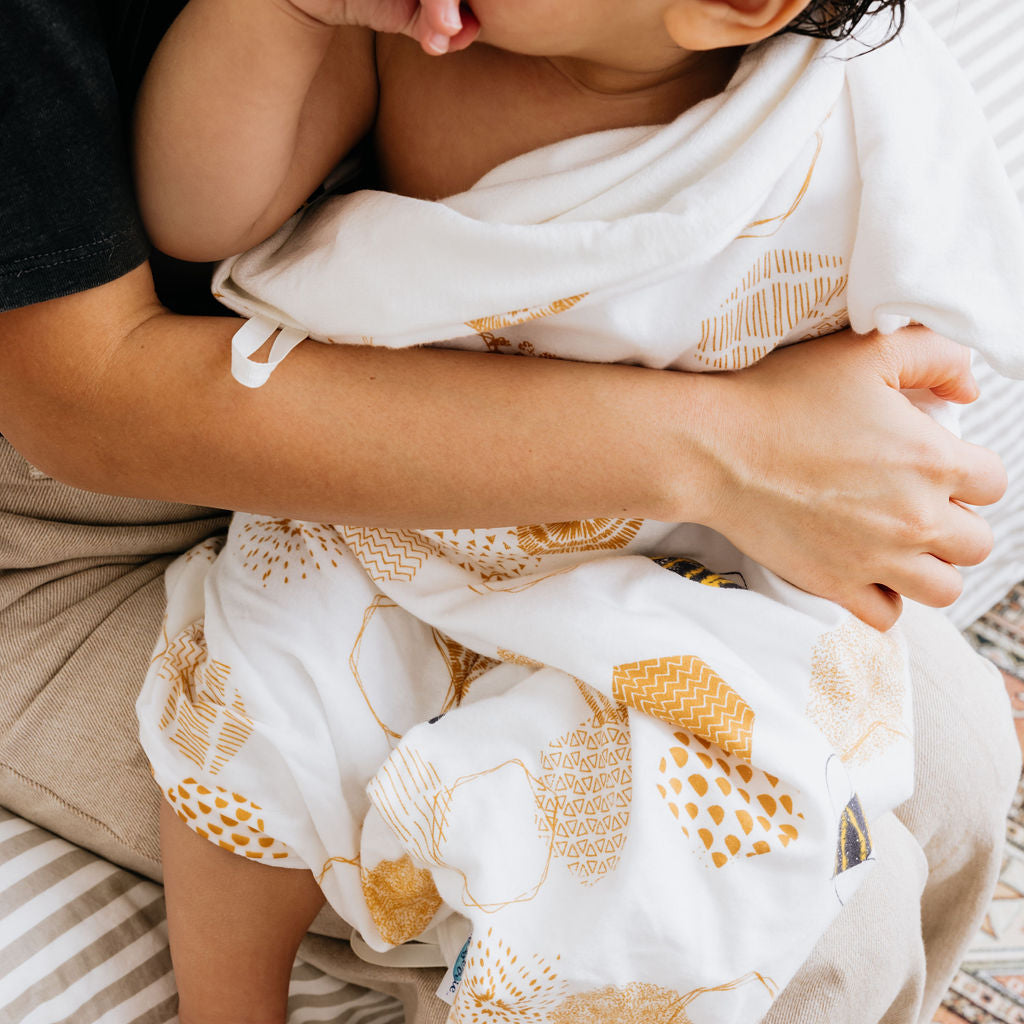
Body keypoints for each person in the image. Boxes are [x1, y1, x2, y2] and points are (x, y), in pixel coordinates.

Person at [0, 2, 1017, 1024]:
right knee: (259, 710)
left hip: (626, 524)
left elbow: (893, 313)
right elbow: (190, 230)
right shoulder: (399, 40)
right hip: (312, 488)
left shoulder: (822, 104)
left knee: (958, 754)